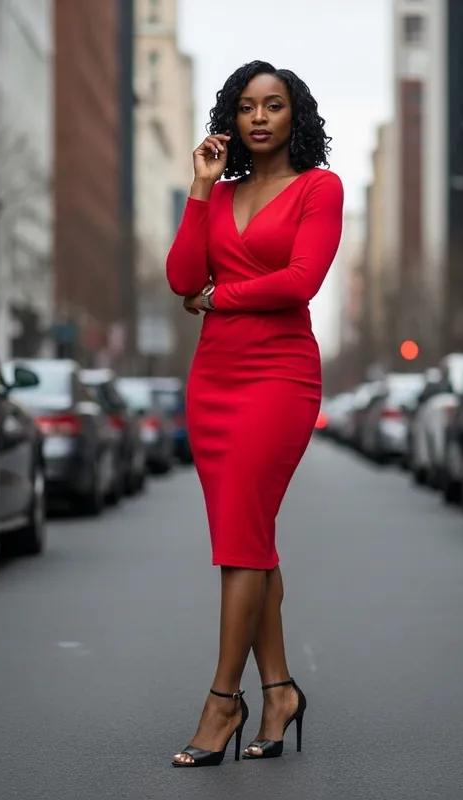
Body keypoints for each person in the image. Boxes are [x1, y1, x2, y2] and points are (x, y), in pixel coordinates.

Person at [165, 60, 344, 768]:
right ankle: (278, 691)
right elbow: (182, 277)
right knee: (250, 538)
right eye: (246, 107)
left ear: (295, 115)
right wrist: (201, 189)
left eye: (273, 105)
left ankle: (221, 701)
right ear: (231, 120)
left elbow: (301, 282)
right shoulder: (223, 189)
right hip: (213, 377)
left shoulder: (319, 189)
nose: (259, 117)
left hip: (279, 375)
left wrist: (220, 297)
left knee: (239, 544)